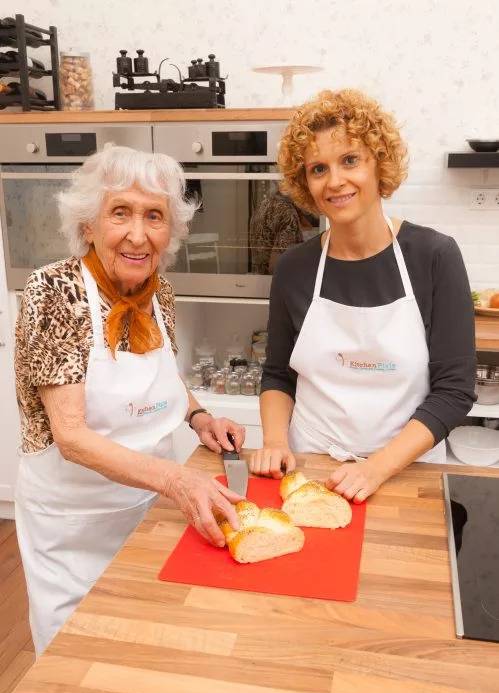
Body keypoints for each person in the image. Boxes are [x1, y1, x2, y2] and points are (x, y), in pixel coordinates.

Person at [15, 144, 245, 655]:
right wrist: (177, 479)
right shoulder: (55, 292)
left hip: (150, 511)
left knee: (147, 647)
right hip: (77, 522)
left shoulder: (156, 289)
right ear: (89, 224)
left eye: (154, 216)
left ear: (171, 230)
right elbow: (71, 437)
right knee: (79, 656)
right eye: (120, 212)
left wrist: (198, 415)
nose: (138, 234)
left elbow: (159, 375)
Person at [249, 89, 476, 503]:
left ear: (378, 164)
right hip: (310, 469)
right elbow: (279, 374)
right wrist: (275, 441)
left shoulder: (434, 256)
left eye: (349, 160)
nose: (335, 181)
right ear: (305, 183)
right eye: (318, 168)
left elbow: (455, 391)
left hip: (406, 473)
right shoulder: (295, 268)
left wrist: (376, 468)